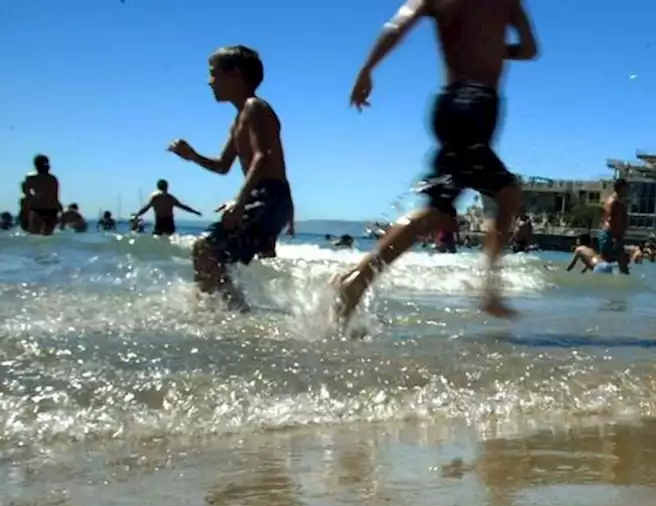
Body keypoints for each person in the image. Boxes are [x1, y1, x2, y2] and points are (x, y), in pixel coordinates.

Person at [330, 0, 539, 327]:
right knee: (457, 204)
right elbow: (529, 50)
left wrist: (367, 69)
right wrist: (496, 49)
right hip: (476, 106)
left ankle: (486, 288)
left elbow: (396, 27)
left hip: (451, 104)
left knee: (495, 197)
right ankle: (360, 277)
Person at [167, 45, 294, 311]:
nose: (209, 81)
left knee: (205, 249)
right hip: (267, 197)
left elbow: (262, 156)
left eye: (213, 74)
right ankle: (227, 312)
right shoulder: (238, 119)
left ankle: (232, 314)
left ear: (234, 74)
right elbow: (222, 166)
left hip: (268, 196)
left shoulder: (254, 107)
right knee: (213, 255)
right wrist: (192, 156)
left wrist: (239, 201)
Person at [133, 179, 203, 236]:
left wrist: (137, 215)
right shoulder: (170, 198)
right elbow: (183, 206)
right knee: (169, 239)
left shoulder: (154, 198)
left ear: (157, 187)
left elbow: (146, 207)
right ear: (166, 187)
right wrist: (195, 212)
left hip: (159, 221)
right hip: (168, 222)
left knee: (157, 240)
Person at [20, 154, 61, 235]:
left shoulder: (31, 178)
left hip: (38, 209)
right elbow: (55, 197)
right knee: (48, 238)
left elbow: (28, 197)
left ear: (35, 165)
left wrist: (24, 213)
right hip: (52, 210)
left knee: (34, 236)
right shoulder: (53, 179)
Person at [600, 178, 630, 274]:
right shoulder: (614, 202)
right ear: (621, 188)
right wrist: (615, 238)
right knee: (616, 264)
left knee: (619, 263)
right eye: (626, 188)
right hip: (611, 236)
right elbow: (610, 220)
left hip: (614, 236)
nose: (628, 190)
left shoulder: (619, 202)